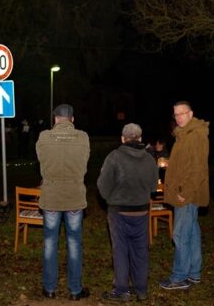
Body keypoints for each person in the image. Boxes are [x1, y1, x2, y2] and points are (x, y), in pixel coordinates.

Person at [97, 123, 158, 302]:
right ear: (140, 138)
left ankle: (121, 290)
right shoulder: (149, 159)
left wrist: (111, 199)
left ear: (123, 139)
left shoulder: (114, 157)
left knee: (120, 250)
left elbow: (102, 185)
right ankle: (141, 290)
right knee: (140, 251)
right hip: (141, 212)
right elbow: (154, 187)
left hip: (119, 212)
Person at [36, 104, 90, 301]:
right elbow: (85, 162)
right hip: (74, 197)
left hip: (51, 197)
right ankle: (75, 290)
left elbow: (41, 160)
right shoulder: (83, 137)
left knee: (50, 243)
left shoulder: (44, 137)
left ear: (55, 119)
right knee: (74, 243)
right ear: (72, 119)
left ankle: (49, 288)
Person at [159, 101, 209, 291]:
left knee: (180, 235)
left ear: (191, 113)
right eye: (176, 114)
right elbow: (186, 162)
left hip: (187, 194)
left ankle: (179, 277)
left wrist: (184, 193)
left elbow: (197, 168)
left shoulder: (195, 135)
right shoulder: (185, 134)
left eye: (182, 113)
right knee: (192, 233)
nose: (179, 117)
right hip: (185, 192)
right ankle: (194, 272)